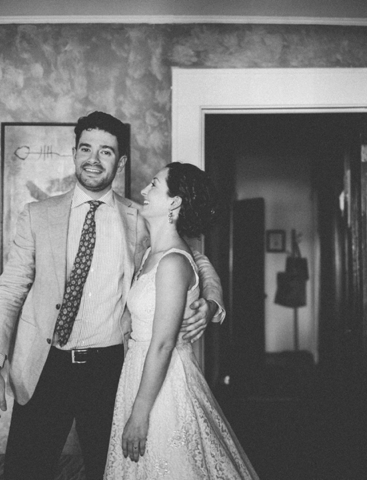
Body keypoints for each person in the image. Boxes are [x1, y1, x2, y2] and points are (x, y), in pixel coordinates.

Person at [0, 112, 225, 480]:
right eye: (86, 149)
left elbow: (195, 258)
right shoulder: (37, 215)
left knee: (108, 471)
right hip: (43, 366)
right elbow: (10, 290)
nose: (93, 159)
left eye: (106, 152)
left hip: (111, 369)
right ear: (74, 153)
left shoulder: (140, 217)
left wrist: (212, 304)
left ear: (120, 161)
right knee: (25, 472)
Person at [104, 162, 258, 479]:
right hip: (135, 371)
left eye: (154, 185)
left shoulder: (174, 261)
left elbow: (163, 343)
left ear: (174, 202)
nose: (144, 191)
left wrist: (140, 412)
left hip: (163, 379)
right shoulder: (150, 254)